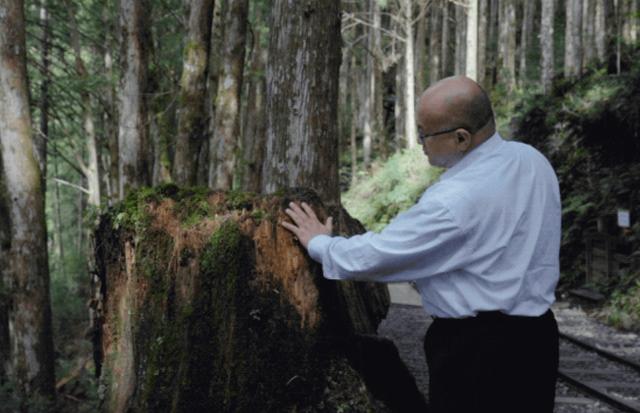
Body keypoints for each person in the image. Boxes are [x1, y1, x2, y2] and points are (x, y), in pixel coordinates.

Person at [281, 75, 561, 413]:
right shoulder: (531, 161)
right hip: (538, 339)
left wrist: (321, 245)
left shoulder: (456, 199)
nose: (420, 143)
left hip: (477, 351)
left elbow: (383, 255)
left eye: (424, 133)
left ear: (461, 138)